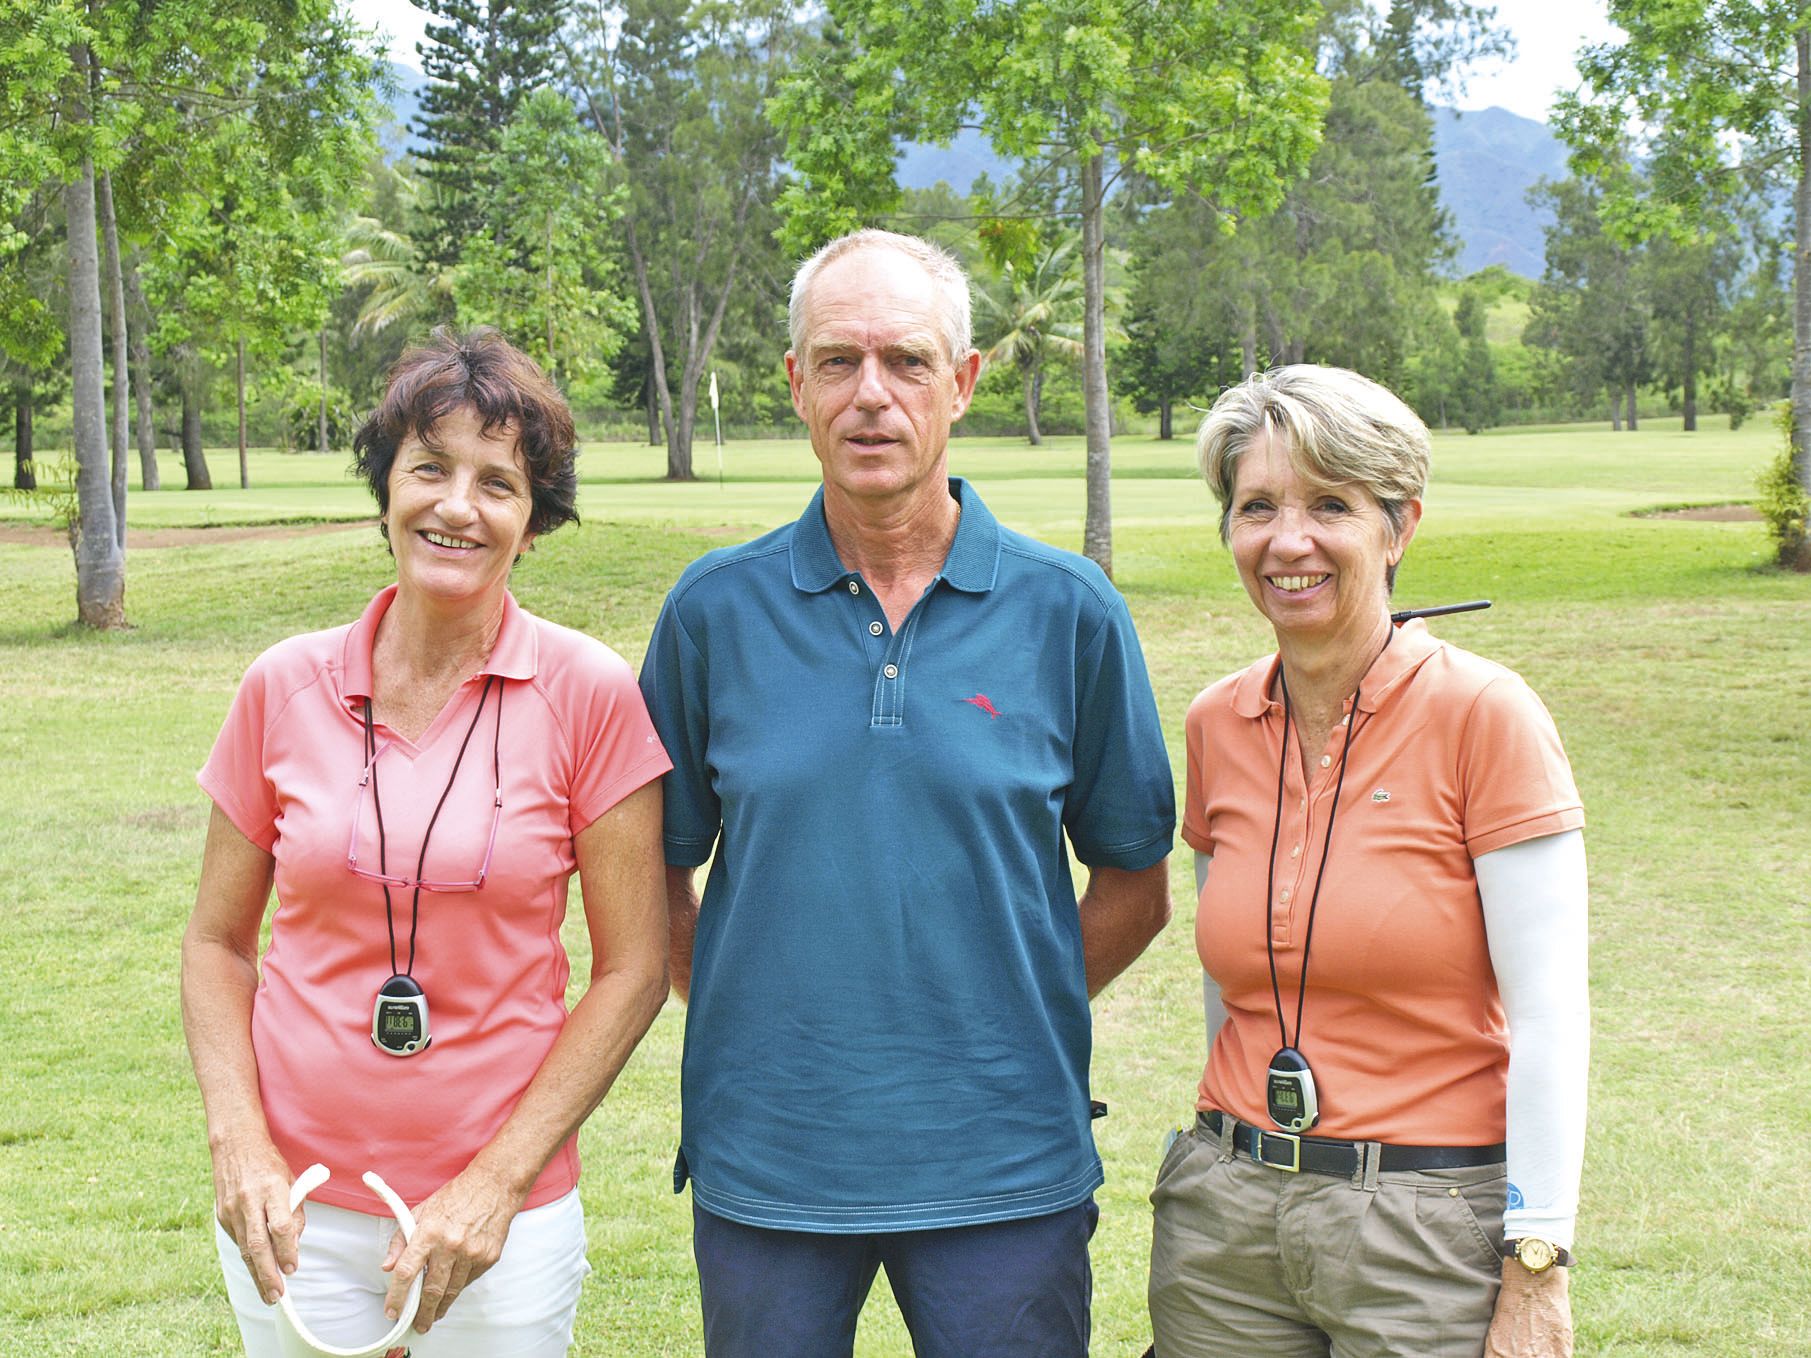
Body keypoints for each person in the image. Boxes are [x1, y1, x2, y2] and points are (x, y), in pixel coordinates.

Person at [638, 229, 1176, 1358]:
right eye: (838, 361)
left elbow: (1135, 883)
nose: (871, 394)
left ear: (963, 381)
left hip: (1005, 1163)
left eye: (907, 361)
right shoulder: (711, 612)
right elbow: (653, 874)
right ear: (796, 384)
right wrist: (767, 1017)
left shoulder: (1070, 610)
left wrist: (998, 1010)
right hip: (772, 1162)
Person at [182, 327, 672, 1357]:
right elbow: (216, 943)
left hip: (499, 1220)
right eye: (429, 468)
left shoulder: (590, 693)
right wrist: (239, 1144)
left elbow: (632, 969)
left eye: (498, 483)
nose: (457, 506)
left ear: (532, 521)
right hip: (294, 1208)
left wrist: (496, 1184)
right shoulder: (282, 684)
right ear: (385, 490)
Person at [1148, 364, 1588, 1358]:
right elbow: (1232, 990)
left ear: (1399, 527)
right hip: (1223, 1221)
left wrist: (1536, 1261)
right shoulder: (1217, 720)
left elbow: (1549, 1015)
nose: (1287, 540)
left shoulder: (1485, 714)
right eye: (1256, 506)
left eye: (1329, 505)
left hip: (1422, 1226)